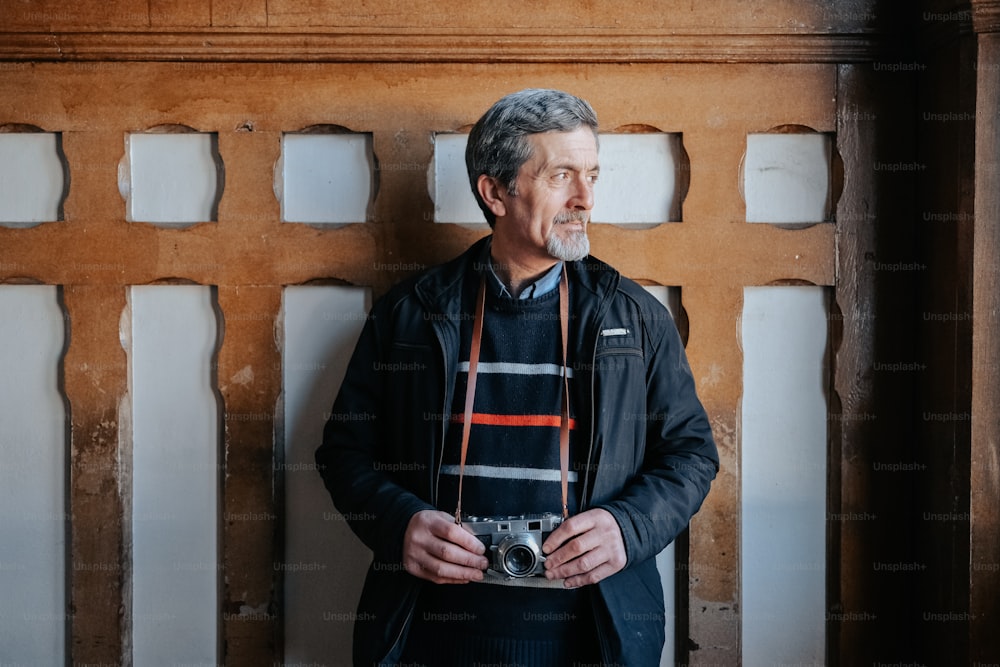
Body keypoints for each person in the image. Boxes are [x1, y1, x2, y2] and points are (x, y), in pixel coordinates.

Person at [316, 88, 719, 666]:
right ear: (496, 191)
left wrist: (627, 528)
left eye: (592, 175)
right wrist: (397, 523)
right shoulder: (408, 314)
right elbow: (344, 453)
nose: (585, 199)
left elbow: (692, 455)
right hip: (428, 637)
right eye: (561, 175)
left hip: (594, 638)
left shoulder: (635, 318)